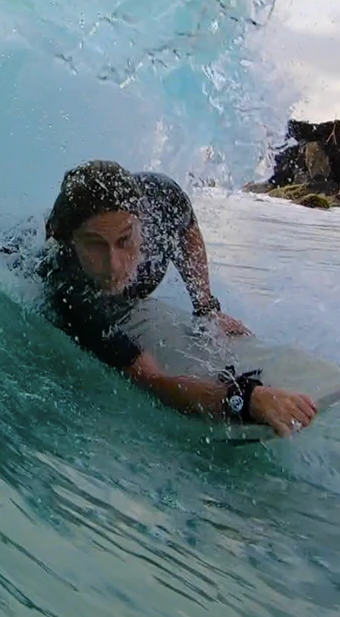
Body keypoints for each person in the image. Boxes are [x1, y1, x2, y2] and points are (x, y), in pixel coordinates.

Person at [39, 160, 318, 437]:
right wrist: (245, 400)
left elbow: (188, 230)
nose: (114, 265)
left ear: (141, 223)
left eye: (124, 240)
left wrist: (205, 306)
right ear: (71, 241)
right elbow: (151, 381)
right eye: (95, 245)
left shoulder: (161, 198)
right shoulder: (72, 291)